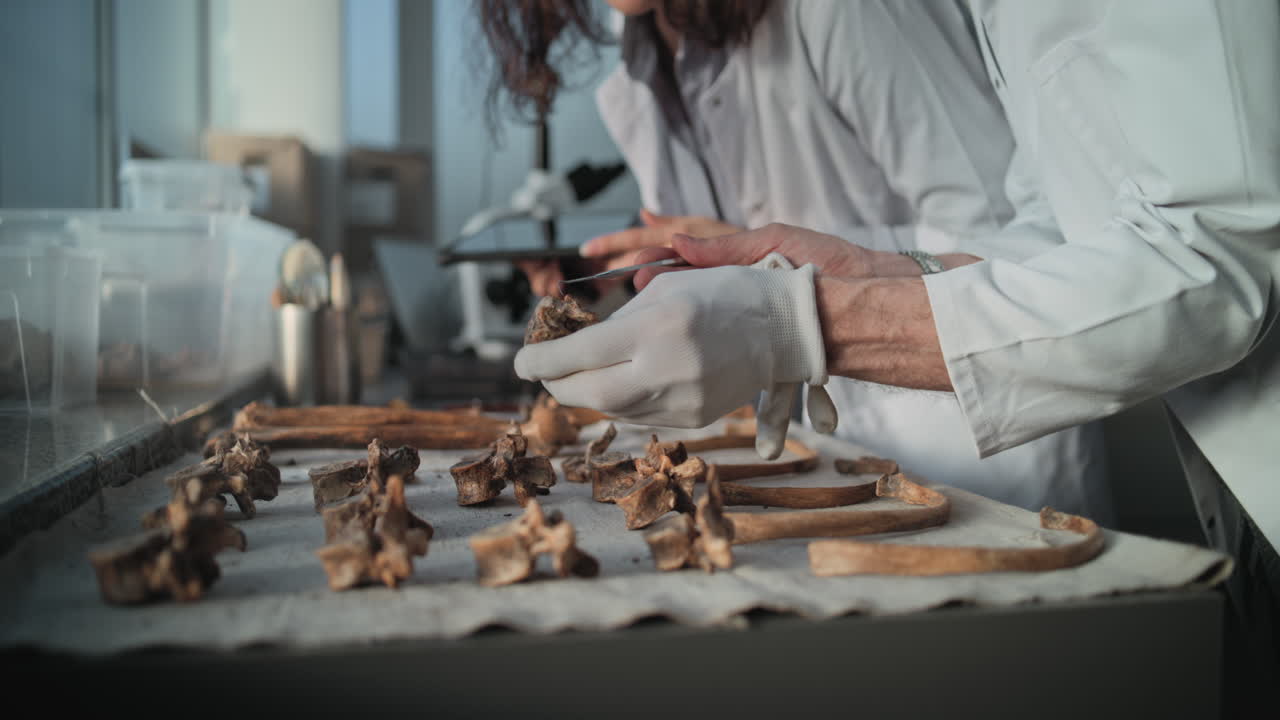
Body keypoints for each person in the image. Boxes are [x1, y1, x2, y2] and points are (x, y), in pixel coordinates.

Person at [515, 0, 1280, 695]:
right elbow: (1043, 236)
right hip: (1226, 476)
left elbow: (1217, 264)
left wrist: (801, 321)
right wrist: (875, 273)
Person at [480, 0, 1112, 519]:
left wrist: (764, 264)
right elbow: (710, 250)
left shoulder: (848, 12)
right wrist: (622, 276)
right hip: (810, 459)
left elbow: (1011, 236)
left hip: (976, 459)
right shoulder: (642, 65)